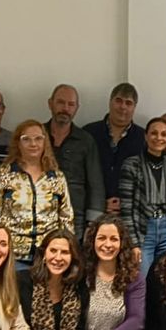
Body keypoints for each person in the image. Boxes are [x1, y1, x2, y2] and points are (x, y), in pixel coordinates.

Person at [0, 119, 73, 269]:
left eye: (38, 138)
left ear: (45, 143)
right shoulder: (2, 176)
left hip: (49, 256)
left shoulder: (56, 178)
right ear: (17, 143)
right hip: (12, 256)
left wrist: (64, 249)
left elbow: (66, 218)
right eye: (26, 139)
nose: (33, 144)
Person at [119, 115, 166, 274]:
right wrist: (133, 243)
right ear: (146, 136)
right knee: (143, 278)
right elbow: (126, 207)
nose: (158, 138)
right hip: (143, 230)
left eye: (163, 134)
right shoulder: (131, 164)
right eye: (154, 133)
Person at [45, 83, 105, 235]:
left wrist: (92, 225)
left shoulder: (85, 140)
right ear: (50, 104)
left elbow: (95, 184)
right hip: (40, 215)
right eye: (61, 102)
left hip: (75, 219)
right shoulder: (37, 136)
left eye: (71, 104)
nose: (65, 108)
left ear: (77, 108)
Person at [84, 82, 144, 216]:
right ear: (110, 102)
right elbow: (81, 176)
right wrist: (100, 202)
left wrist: (125, 202)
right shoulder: (89, 133)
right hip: (93, 212)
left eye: (128, 103)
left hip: (130, 214)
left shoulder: (143, 139)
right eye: (118, 101)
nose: (123, 107)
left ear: (134, 107)